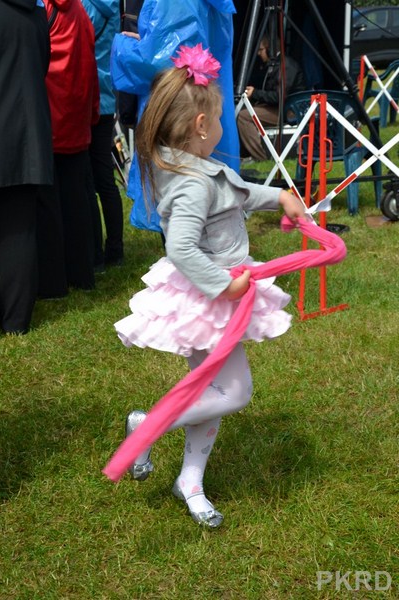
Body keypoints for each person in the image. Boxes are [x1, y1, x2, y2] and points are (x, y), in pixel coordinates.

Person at [113, 45, 305, 528]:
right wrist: (224, 286)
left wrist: (280, 197)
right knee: (234, 391)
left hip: (212, 293)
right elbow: (181, 247)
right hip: (208, 298)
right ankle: (147, 426)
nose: (221, 126)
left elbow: (236, 193)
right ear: (201, 126)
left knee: (212, 391)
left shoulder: (192, 168)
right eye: (219, 119)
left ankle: (190, 480)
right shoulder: (193, 182)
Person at [110, 0, 240, 233]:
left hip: (178, 119)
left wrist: (122, 45)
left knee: (182, 216)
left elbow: (158, 62)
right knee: (203, 212)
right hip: (204, 114)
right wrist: (148, 41)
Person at [0, 0, 54, 334]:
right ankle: (16, 319)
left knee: (18, 230)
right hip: (27, 133)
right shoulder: (36, 14)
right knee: (20, 230)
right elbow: (42, 65)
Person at [42, 0, 100, 290]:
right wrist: (92, 113)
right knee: (77, 200)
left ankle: (54, 281)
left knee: (49, 206)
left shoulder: (43, 10)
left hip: (49, 118)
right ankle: (83, 272)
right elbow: (91, 63)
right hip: (77, 118)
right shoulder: (80, 11)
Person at [81, 0, 125, 270]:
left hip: (87, 95)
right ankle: (114, 248)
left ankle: (97, 251)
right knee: (104, 177)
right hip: (106, 95)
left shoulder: (86, 6)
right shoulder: (111, 4)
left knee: (90, 180)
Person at [237, 35, 306, 162]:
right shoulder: (272, 65)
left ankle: (259, 157)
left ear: (270, 49)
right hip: (278, 107)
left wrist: (255, 93)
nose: (258, 54)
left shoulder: (286, 66)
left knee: (244, 116)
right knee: (240, 110)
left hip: (288, 111)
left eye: (261, 50)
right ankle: (244, 154)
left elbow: (279, 97)